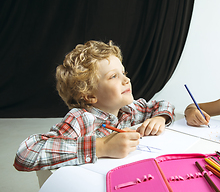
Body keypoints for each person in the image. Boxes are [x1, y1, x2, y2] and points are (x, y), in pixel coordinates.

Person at [14, 40, 175, 171]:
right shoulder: (81, 119)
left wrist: (160, 118)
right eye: (113, 76)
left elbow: (162, 105)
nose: (127, 80)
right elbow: (25, 154)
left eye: (123, 73)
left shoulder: (129, 110)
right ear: (89, 95)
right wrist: (102, 146)